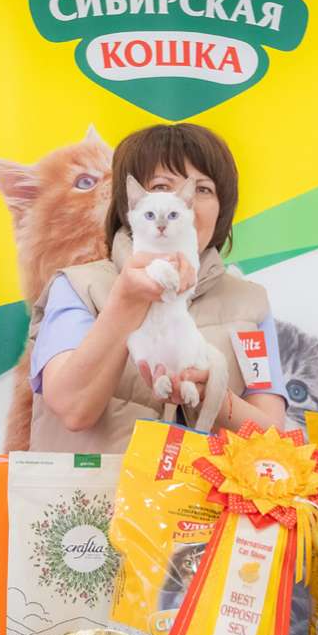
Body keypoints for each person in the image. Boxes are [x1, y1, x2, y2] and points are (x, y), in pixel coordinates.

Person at [27, 123, 288, 452]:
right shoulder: (79, 286)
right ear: (132, 206)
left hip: (203, 486)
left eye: (202, 189)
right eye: (161, 186)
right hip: (101, 485)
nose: (177, 202)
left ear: (222, 206)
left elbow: (273, 436)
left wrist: (212, 396)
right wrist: (128, 298)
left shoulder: (250, 301)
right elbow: (72, 409)